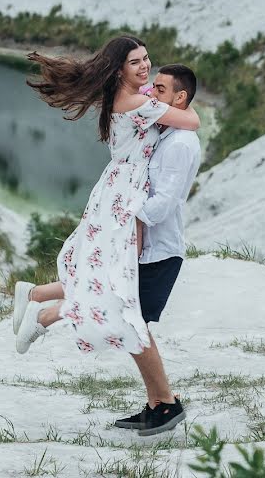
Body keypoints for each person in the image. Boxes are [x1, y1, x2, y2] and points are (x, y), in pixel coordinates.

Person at [11, 36, 200, 403]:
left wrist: (153, 91)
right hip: (125, 195)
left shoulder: (128, 94)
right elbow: (190, 120)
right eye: (135, 63)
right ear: (118, 69)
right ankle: (44, 316)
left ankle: (36, 301)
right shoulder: (138, 102)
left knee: (110, 273)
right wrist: (178, 102)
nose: (145, 67)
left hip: (116, 189)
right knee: (116, 280)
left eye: (146, 59)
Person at [111, 64, 201, 436]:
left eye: (159, 89)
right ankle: (157, 404)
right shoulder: (168, 129)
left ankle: (166, 404)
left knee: (134, 325)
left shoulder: (180, 144)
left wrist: (125, 213)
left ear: (179, 98)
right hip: (147, 249)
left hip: (161, 250)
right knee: (133, 324)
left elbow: (163, 204)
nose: (150, 93)